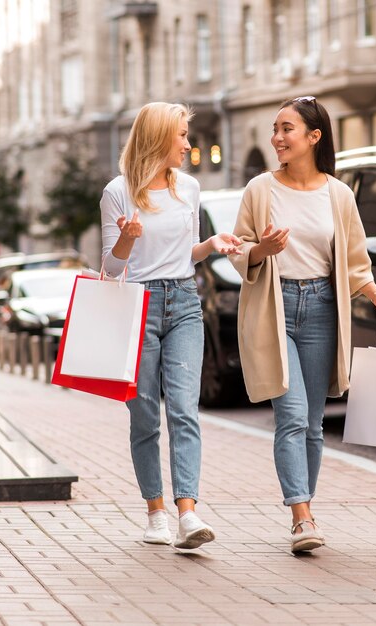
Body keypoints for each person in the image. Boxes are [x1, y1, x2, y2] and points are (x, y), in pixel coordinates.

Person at [230, 96, 376, 553]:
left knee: (311, 422)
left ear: (313, 136)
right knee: (289, 415)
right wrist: (261, 250)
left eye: (287, 129)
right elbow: (238, 250)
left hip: (323, 307)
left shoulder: (338, 194)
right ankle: (301, 516)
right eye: (275, 128)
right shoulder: (260, 189)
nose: (277, 138)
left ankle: (305, 507)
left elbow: (353, 262)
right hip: (274, 307)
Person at [100, 102, 241, 549]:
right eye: (181, 135)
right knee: (144, 415)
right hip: (137, 304)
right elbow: (109, 266)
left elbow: (185, 254)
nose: (187, 143)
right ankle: (155, 511)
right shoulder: (117, 192)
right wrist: (126, 237)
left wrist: (211, 245)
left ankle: (187, 513)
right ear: (159, 138)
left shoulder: (190, 187)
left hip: (183, 300)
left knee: (184, 409)